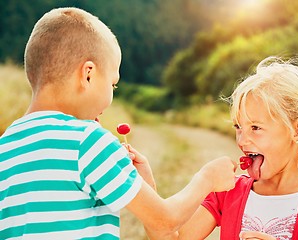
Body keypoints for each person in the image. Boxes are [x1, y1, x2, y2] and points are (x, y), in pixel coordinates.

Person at [0, 7, 237, 239]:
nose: (111, 95)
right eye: (113, 84)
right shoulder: (87, 140)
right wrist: (207, 178)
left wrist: (145, 187)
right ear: (88, 74)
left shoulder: (5, 146)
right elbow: (164, 222)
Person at [175, 57, 298, 240]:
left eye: (255, 128)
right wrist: (201, 181)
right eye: (238, 127)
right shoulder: (227, 191)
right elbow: (170, 236)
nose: (242, 141)